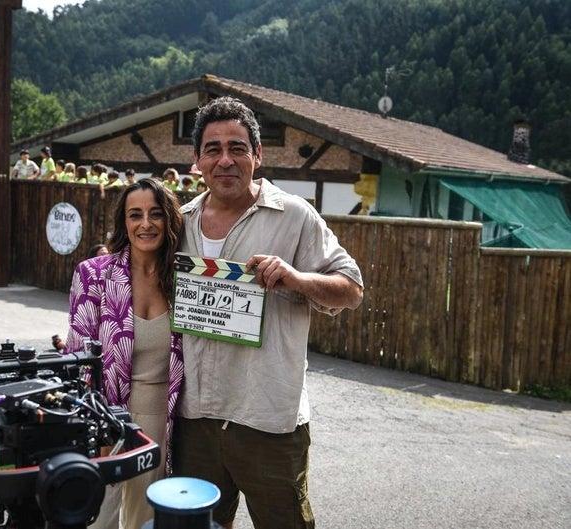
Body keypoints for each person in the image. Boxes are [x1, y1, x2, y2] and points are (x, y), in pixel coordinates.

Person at [173, 96, 364, 529]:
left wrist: (297, 279)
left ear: (257, 156)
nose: (225, 160)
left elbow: (351, 288)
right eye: (213, 149)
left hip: (267, 419)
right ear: (197, 161)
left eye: (237, 148)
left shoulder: (294, 215)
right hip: (195, 416)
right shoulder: (179, 223)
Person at [61, 178, 184, 529]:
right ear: (124, 222)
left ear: (169, 220)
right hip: (105, 418)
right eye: (135, 215)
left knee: (144, 519)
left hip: (162, 420)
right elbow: (78, 360)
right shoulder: (94, 274)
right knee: (97, 519)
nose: (146, 224)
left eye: (155, 214)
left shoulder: (185, 279)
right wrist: (96, 428)